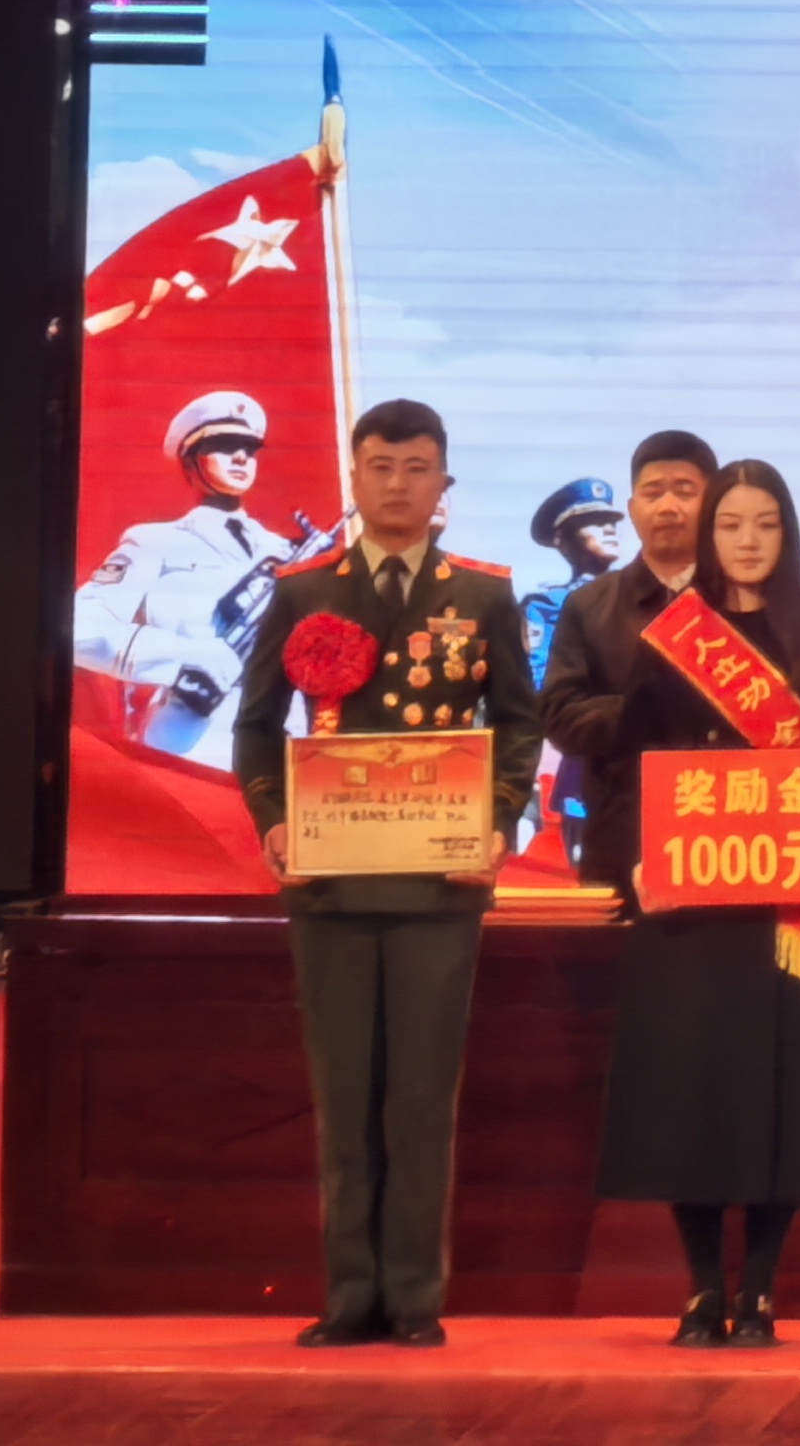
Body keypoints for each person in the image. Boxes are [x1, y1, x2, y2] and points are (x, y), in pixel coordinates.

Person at [230, 397, 540, 1348]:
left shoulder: (482, 595)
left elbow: (519, 723)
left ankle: (413, 1297)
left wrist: (499, 822)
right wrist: (274, 822)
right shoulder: (301, 590)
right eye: (380, 466)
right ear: (354, 477)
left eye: (416, 468)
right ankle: (348, 1296)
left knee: (420, 1099)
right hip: (330, 880)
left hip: (439, 882)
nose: (397, 484)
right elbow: (255, 725)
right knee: (343, 1097)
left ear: (443, 484)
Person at [590, 458, 800, 1346]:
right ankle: (700, 1290)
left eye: (765, 525)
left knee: (780, 1097)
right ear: (709, 534)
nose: (748, 541)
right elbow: (634, 759)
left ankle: (758, 1288)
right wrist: (638, 861)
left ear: (787, 535)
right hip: (691, 904)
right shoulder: (677, 637)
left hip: (787, 908)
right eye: (731, 525)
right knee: (694, 1095)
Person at [78, 387, 328, 761]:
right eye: (224, 446)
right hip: (196, 742)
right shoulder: (154, 542)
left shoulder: (285, 553)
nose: (241, 456)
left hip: (284, 741)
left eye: (249, 448)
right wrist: (192, 657)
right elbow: (79, 629)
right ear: (190, 463)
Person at [536, 430, 716, 896]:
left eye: (685, 492)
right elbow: (560, 717)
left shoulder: (743, 604)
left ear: (714, 504)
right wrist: (642, 709)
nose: (668, 506)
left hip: (728, 841)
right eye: (654, 493)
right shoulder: (589, 606)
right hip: (621, 841)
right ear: (635, 509)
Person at [520, 476, 628, 681]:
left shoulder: (640, 593)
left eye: (611, 522)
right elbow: (539, 678)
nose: (609, 529)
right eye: (595, 522)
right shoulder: (546, 606)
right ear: (561, 538)